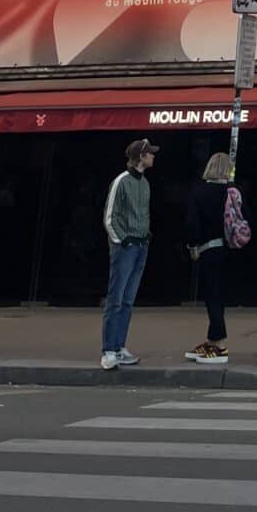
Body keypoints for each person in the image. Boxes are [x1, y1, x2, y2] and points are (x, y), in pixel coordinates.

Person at [101, 138, 156, 370]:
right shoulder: (121, 181)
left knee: (127, 300)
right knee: (116, 299)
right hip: (127, 247)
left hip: (140, 244)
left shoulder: (144, 183)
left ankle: (119, 346)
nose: (153, 156)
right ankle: (109, 350)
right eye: (150, 153)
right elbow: (109, 217)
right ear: (140, 157)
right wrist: (122, 240)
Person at [184, 150, 238, 363]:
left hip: (209, 248)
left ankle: (219, 345)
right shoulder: (232, 191)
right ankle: (212, 340)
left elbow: (192, 223)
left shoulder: (200, 192)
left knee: (211, 297)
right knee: (220, 297)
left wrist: (192, 246)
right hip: (230, 248)